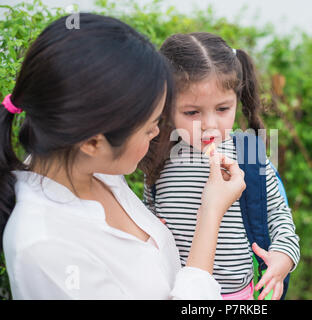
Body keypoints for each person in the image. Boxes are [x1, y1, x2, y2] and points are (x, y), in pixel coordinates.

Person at [0, 14, 245, 300]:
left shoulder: (97, 171)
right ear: (93, 141)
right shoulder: (45, 249)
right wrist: (211, 213)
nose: (157, 133)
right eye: (149, 126)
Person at [142, 32, 300, 300]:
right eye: (192, 113)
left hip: (240, 295)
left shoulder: (248, 155)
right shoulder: (160, 156)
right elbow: (148, 214)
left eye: (223, 108)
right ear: (166, 106)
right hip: (178, 293)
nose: (210, 125)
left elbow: (279, 216)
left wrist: (283, 258)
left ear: (236, 100)